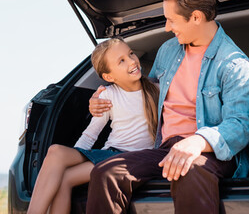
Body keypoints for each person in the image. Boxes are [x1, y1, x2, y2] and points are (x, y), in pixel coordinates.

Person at [86, 0, 249, 214]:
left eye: (171, 20)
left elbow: (240, 125)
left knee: (190, 169)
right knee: (106, 172)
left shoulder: (234, 65)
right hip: (165, 148)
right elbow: (145, 91)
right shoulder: (168, 51)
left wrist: (198, 141)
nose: (167, 27)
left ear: (196, 17)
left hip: (210, 152)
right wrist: (104, 97)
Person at [27, 37, 160, 214]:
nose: (132, 61)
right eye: (121, 61)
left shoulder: (157, 90)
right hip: (110, 153)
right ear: (108, 76)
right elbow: (90, 135)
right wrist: (72, 161)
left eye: (130, 54)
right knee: (56, 154)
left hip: (134, 158)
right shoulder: (107, 95)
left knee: (66, 178)